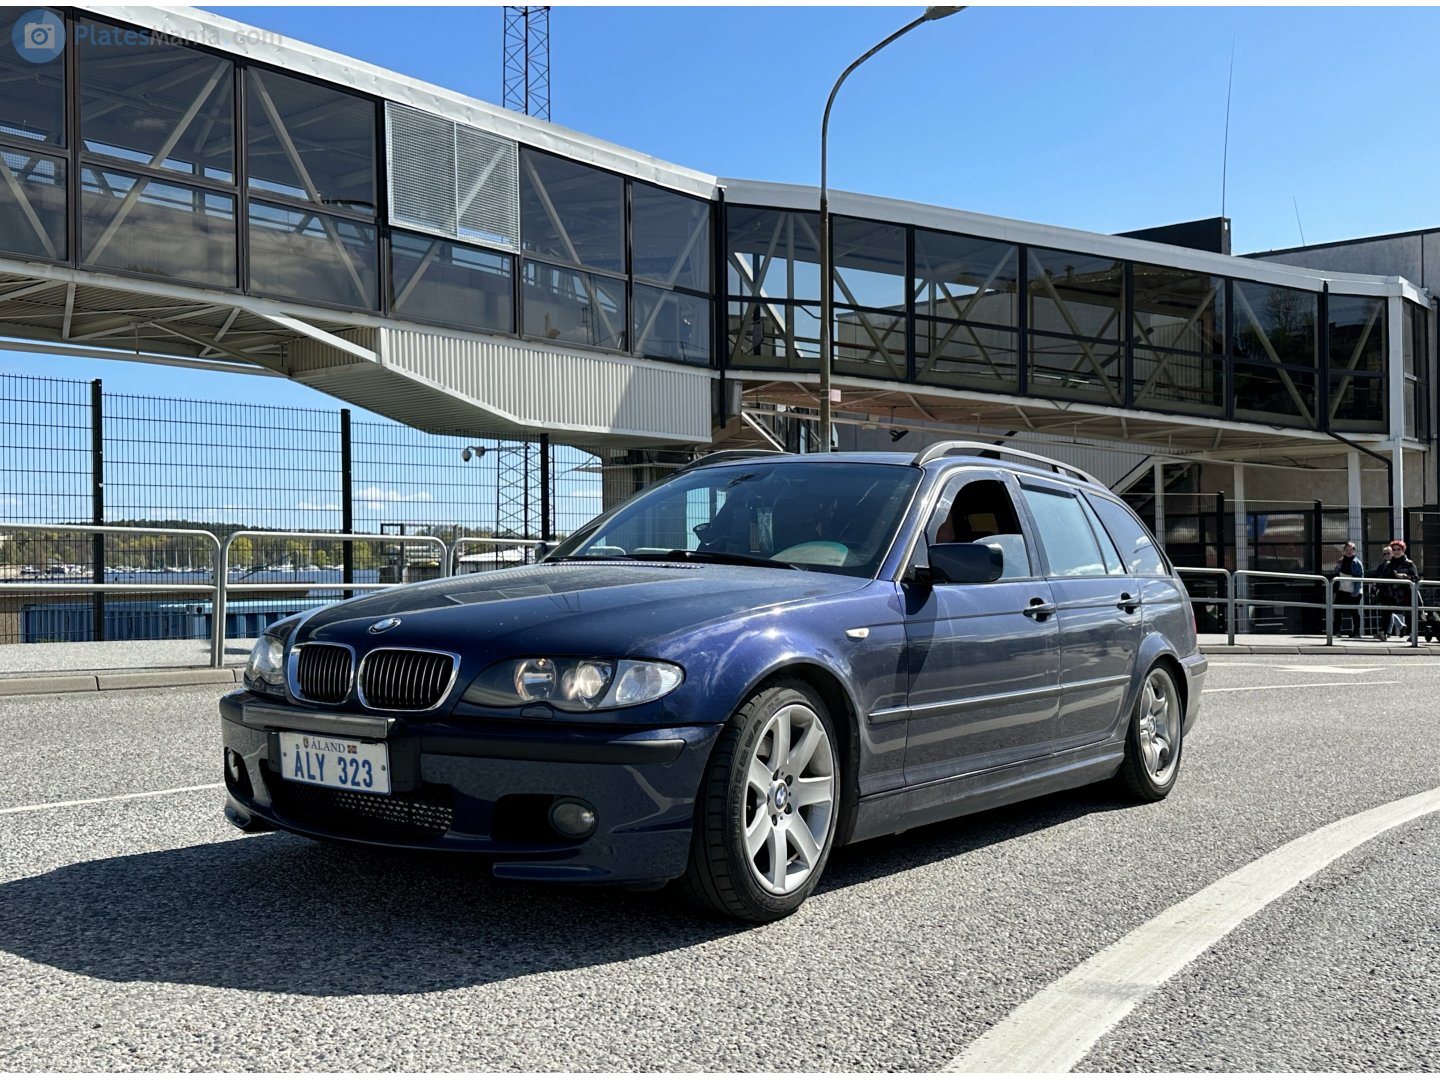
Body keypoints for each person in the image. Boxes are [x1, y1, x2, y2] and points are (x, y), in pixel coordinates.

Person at [1374, 540, 1419, 640]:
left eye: (1399, 549)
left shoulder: (1409, 564)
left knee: (1410, 614)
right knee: (1386, 612)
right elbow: (1383, 578)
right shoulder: (1389, 564)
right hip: (1390, 594)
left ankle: (1412, 634)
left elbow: (1415, 578)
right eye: (1394, 550)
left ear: (1403, 550)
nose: (1396, 552)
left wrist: (1404, 576)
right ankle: (1384, 633)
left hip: (1405, 594)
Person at [1331, 540, 1364, 638]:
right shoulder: (1341, 561)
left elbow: (1359, 578)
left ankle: (1356, 631)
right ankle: (1337, 630)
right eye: (1347, 550)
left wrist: (1355, 592)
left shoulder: (1357, 563)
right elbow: (1336, 572)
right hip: (1342, 589)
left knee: (1354, 611)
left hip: (1354, 590)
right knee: (1337, 610)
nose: (1349, 552)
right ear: (1344, 551)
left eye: (1351, 550)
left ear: (1354, 551)